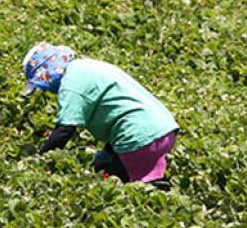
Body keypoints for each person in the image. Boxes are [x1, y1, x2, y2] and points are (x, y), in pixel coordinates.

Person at [22, 42, 179, 185]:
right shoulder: (88, 66)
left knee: (117, 189)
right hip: (163, 129)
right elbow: (118, 112)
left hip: (138, 138)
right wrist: (107, 154)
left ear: (48, 72)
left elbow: (64, 130)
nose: (47, 90)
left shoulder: (71, 82)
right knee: (142, 184)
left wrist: (40, 161)